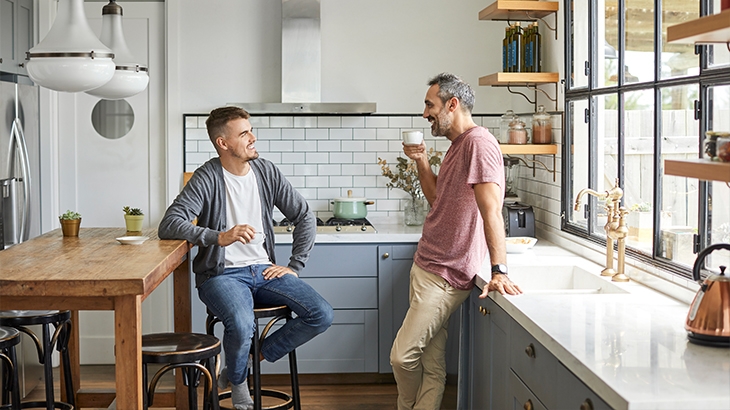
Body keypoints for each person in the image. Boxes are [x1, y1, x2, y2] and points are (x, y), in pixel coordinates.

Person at [159, 106, 334, 410]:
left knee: (321, 313)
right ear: (222, 143)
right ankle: (240, 384)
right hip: (221, 276)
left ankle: (249, 359)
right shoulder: (207, 177)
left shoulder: (266, 171)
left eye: (250, 130)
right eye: (244, 133)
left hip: (265, 270)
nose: (253, 137)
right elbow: (169, 224)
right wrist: (218, 236)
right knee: (241, 324)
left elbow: (304, 215)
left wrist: (294, 265)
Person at [390, 73, 523, 410]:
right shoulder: (458, 146)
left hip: (445, 276)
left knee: (402, 357)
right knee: (433, 368)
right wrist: (421, 160)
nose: (424, 114)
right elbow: (437, 199)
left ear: (453, 104)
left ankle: (405, 407)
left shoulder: (479, 144)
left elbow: (492, 210)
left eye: (429, 105)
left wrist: (500, 270)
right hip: (428, 265)